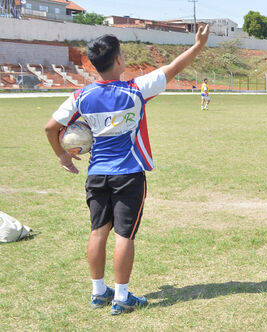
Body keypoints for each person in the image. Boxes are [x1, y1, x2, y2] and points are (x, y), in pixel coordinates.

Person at [43, 25, 211, 315]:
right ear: (119, 60)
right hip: (128, 174)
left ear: (93, 65)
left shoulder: (80, 97)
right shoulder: (135, 90)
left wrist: (62, 155)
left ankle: (98, 293)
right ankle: (121, 297)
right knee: (124, 236)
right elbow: (173, 68)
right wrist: (198, 45)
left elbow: (50, 127)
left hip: (96, 174)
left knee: (97, 232)